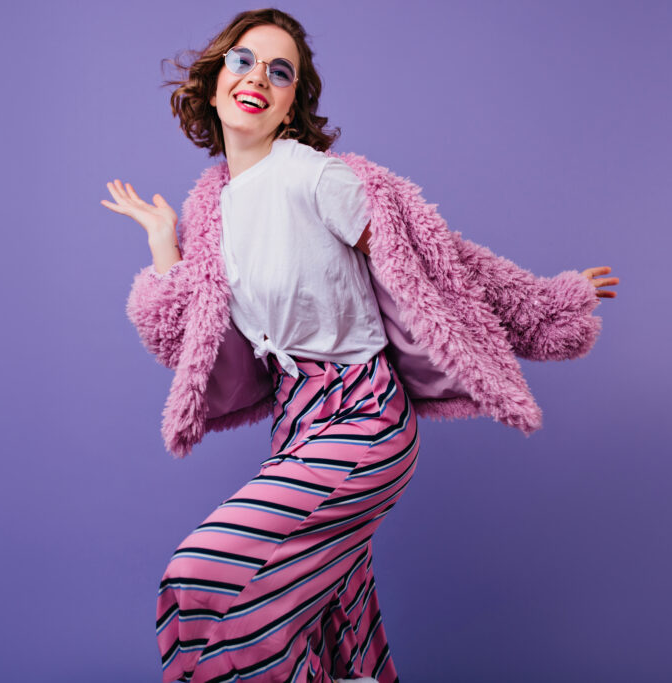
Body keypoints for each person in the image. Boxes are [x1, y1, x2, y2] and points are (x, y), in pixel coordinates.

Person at [101, 9, 619, 683]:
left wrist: (555, 300)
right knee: (335, 633)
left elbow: (439, 266)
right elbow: (184, 337)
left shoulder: (318, 179)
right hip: (298, 425)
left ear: (290, 105)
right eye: (243, 60)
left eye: (278, 71)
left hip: (365, 417)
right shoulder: (213, 209)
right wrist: (163, 239)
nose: (258, 76)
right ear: (214, 81)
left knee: (204, 577)